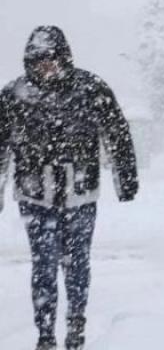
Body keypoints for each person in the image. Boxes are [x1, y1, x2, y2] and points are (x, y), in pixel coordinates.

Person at [0, 26, 139, 350]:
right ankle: (45, 333)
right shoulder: (13, 96)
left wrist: (126, 178)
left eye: (51, 60)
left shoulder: (90, 89)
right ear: (29, 62)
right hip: (35, 195)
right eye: (39, 61)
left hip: (80, 191)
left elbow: (117, 133)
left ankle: (76, 323)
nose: (46, 67)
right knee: (44, 263)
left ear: (64, 58)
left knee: (77, 262)